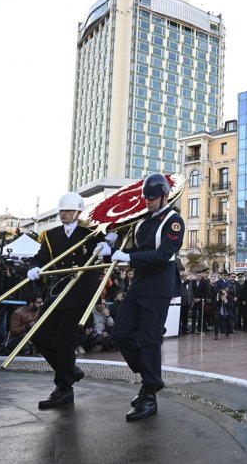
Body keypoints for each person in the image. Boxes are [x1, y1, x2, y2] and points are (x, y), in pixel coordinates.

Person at [109, 173, 185, 421]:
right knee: (120, 334)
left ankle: (150, 394)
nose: (147, 202)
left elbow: (163, 254)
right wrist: (111, 250)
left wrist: (128, 258)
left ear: (164, 196)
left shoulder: (174, 221)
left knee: (149, 339)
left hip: (159, 287)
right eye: (146, 198)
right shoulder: (142, 222)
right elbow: (136, 250)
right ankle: (150, 378)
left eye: (152, 198)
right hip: (140, 285)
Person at [27, 192, 109, 409]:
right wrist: (34, 267)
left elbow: (108, 255)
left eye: (69, 211)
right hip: (58, 290)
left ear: (78, 212)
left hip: (80, 292)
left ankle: (64, 389)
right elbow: (41, 257)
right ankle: (70, 371)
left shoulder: (90, 233)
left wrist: (108, 247)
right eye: (62, 211)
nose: (64, 214)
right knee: (39, 334)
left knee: (65, 340)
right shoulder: (51, 235)